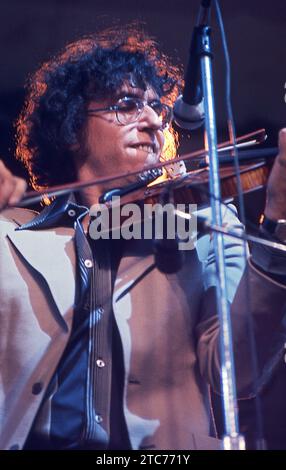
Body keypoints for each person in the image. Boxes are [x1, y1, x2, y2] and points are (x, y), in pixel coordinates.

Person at [1, 26, 286, 451]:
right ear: (73, 126)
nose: (154, 120)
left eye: (158, 108)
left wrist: (278, 222)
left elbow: (238, 372)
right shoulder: (10, 235)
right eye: (128, 104)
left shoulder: (202, 224)